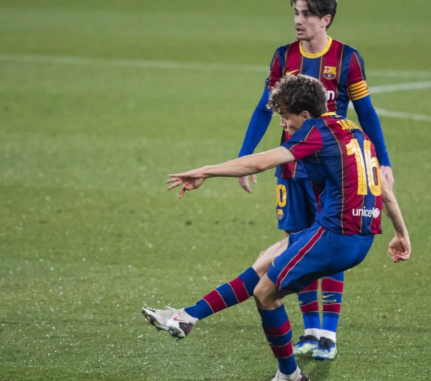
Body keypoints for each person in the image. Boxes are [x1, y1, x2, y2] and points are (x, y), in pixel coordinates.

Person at [143, 75, 410, 381]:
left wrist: (205, 171)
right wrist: (401, 233)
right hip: (353, 234)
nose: (283, 124)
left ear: (305, 116)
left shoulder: (316, 132)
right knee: (266, 259)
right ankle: (187, 316)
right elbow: (384, 190)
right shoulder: (354, 132)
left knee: (265, 293)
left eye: (285, 117)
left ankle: (289, 376)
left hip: (337, 236)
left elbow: (260, 163)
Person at [233, 0, 394, 360]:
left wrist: (383, 161)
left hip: (334, 175)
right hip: (291, 169)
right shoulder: (282, 57)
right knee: (296, 244)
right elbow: (264, 108)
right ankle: (309, 331)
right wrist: (246, 156)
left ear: (326, 19)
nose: (298, 20)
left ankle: (328, 334)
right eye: (295, 13)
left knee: (329, 243)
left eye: (306, 14)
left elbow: (366, 110)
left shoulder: (347, 59)